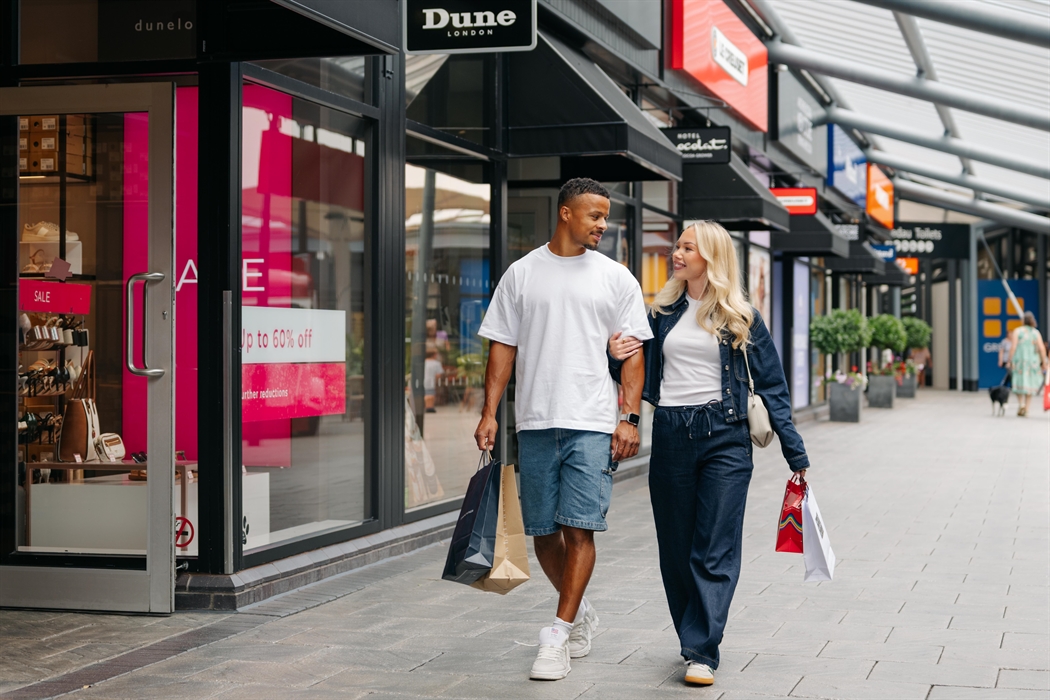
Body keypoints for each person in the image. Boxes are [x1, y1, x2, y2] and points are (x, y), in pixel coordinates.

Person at [608, 221, 809, 688]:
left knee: (714, 546)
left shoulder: (741, 316)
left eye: (686, 247)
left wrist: (795, 453)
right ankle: (691, 634)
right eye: (677, 245)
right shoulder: (660, 312)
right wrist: (613, 354)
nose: (676, 253)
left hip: (727, 436)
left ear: (710, 257)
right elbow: (636, 371)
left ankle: (703, 650)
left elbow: (774, 388)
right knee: (677, 547)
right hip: (674, 435)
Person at [474, 178, 652, 681]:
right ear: (565, 213)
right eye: (594, 215)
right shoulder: (522, 274)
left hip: (592, 422)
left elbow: (635, 356)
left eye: (606, 216)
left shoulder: (617, 278)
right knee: (543, 533)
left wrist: (628, 417)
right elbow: (502, 348)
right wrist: (490, 412)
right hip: (534, 420)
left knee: (580, 526)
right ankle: (578, 609)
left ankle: (557, 632)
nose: (603, 224)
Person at [1006, 311, 1048, 416]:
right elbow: (1042, 348)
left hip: (1020, 361)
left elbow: (1013, 347)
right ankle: (1027, 408)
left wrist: (1010, 360)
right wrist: (1043, 362)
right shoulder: (1035, 332)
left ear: (1023, 321)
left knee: (1018, 382)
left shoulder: (1017, 331)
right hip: (1032, 362)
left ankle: (1021, 404)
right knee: (1029, 384)